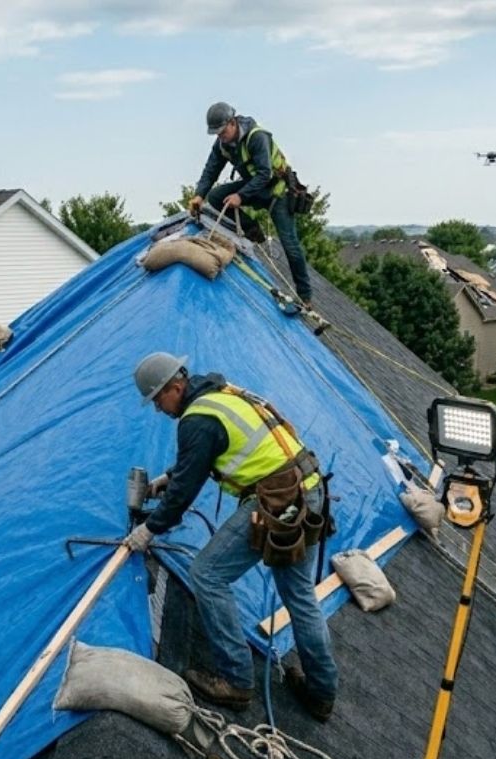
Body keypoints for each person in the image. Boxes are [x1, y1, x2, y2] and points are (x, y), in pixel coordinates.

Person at [124, 352, 338, 721]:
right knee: (300, 596)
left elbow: (182, 496)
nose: (159, 409)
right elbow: (209, 451)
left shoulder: (196, 421)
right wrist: (170, 476)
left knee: (207, 574)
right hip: (309, 488)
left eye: (159, 399)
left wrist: (148, 529)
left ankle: (236, 679)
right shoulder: (222, 393)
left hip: (278, 499)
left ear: (176, 386)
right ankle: (321, 693)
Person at [188, 102, 313, 305]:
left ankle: (305, 296)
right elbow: (211, 170)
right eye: (216, 134)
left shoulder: (257, 137)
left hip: (276, 191)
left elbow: (265, 173)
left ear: (232, 122)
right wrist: (199, 195)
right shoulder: (223, 144)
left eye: (222, 131)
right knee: (216, 197)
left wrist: (240, 196)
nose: (220, 137)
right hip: (254, 187)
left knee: (290, 244)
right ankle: (251, 228)